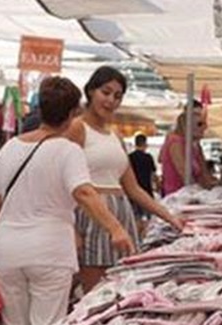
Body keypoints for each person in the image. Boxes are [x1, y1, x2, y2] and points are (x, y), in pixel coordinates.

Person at [0, 77, 135, 325]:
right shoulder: (67, 151)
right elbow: (84, 193)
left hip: (6, 251)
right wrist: (115, 228)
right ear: (72, 113)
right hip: (49, 250)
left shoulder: (10, 148)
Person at [67, 66, 182, 292]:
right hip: (92, 216)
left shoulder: (115, 136)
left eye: (117, 96)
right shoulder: (77, 128)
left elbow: (133, 188)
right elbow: (63, 183)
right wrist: (72, 230)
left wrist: (169, 217)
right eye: (106, 92)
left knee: (121, 291)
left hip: (121, 215)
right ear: (91, 91)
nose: (111, 100)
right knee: (95, 293)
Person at [160, 107, 219, 196]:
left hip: (191, 195)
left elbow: (204, 174)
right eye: (200, 124)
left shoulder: (195, 145)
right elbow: (184, 174)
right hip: (177, 197)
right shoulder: (176, 142)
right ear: (188, 125)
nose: (205, 128)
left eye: (205, 124)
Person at [128, 133, 157, 233]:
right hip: (147, 190)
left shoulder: (130, 157)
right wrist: (157, 185)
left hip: (133, 191)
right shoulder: (148, 157)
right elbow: (153, 174)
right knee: (149, 218)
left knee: (136, 217)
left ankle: (138, 236)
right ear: (145, 144)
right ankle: (146, 236)